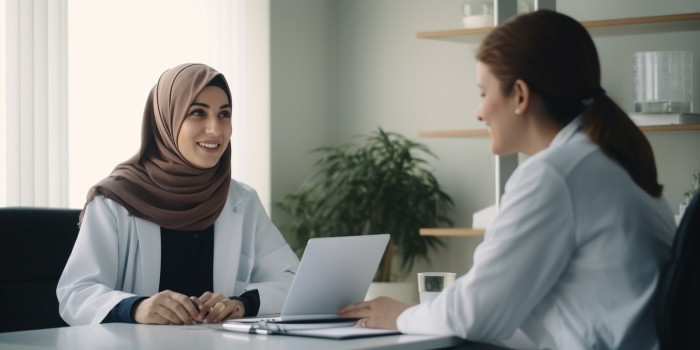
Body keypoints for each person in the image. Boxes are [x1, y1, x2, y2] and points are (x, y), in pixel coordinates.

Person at [339, 10, 675, 349]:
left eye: (483, 92)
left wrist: (399, 316)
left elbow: (475, 313)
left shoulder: (554, 175)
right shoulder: (602, 160)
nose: (479, 112)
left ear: (519, 95)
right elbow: (496, 304)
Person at [57, 63, 299, 326]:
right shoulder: (114, 200)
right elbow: (76, 294)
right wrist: (136, 307)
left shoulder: (241, 200)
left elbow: (291, 280)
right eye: (197, 113)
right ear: (166, 119)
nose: (215, 130)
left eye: (224, 114)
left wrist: (241, 303)